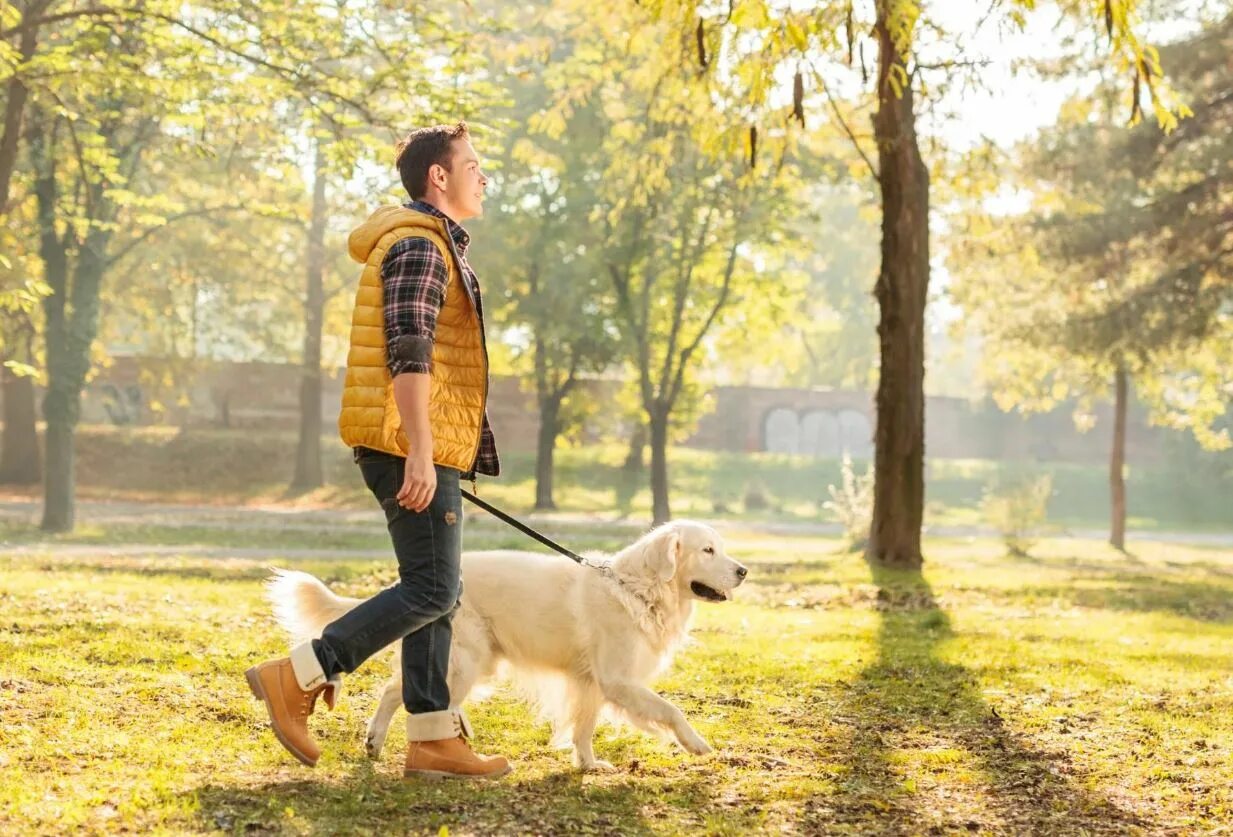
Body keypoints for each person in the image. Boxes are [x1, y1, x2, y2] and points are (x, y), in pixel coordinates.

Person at [245, 122, 509, 780]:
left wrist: (443, 449)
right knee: (434, 586)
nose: (483, 176)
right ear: (437, 177)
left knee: (440, 593)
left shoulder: (434, 242)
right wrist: (421, 449)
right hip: (404, 443)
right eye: (472, 164)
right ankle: (300, 672)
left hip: (423, 444)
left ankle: (431, 737)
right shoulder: (420, 244)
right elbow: (409, 346)